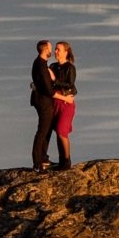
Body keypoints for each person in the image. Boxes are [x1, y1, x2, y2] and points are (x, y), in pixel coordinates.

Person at [28, 39, 58, 169]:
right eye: (50, 48)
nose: (52, 51)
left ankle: (43, 158)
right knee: (42, 130)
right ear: (45, 49)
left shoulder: (41, 64)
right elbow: (48, 89)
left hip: (43, 100)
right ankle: (37, 162)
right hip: (43, 101)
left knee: (47, 128)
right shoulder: (41, 65)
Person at [49, 40, 78, 169]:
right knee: (58, 131)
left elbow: (70, 84)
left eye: (58, 49)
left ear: (66, 52)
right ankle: (62, 160)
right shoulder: (53, 66)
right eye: (55, 49)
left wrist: (54, 80)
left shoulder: (70, 68)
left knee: (62, 130)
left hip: (66, 102)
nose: (55, 51)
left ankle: (66, 160)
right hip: (55, 102)